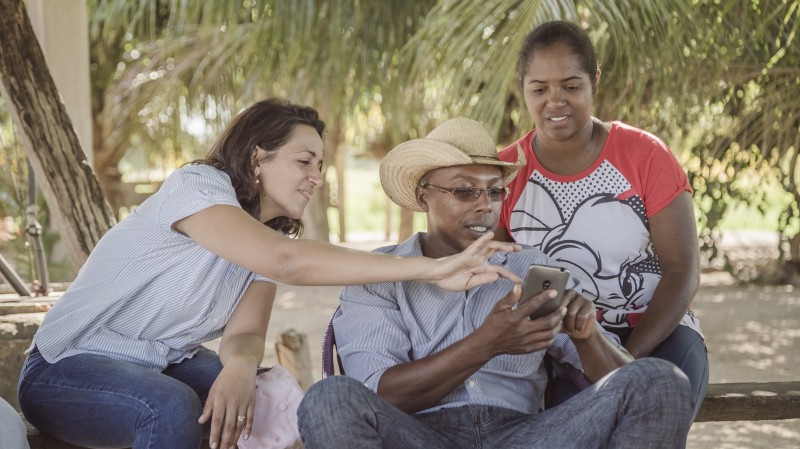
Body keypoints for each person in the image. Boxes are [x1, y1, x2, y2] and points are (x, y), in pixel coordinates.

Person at [16, 99, 520, 449]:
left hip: (155, 363)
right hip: (65, 368)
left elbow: (248, 332)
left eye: (320, 165)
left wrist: (237, 368)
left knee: (266, 396)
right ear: (258, 157)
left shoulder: (274, 235)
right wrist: (431, 269)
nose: (316, 177)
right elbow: (287, 263)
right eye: (305, 160)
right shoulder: (197, 187)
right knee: (169, 407)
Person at [297, 118, 693, 449]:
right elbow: (381, 394)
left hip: (526, 436)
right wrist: (488, 343)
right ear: (423, 196)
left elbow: (621, 379)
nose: (484, 203)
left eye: (494, 190)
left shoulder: (531, 267)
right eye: (464, 190)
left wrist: (588, 337)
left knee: (659, 381)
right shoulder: (380, 274)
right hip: (420, 436)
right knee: (329, 401)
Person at [496, 20, 708, 420]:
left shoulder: (644, 155)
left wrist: (624, 358)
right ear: (521, 88)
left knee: (655, 412)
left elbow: (683, 270)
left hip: (659, 334)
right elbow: (493, 270)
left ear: (594, 81)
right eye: (539, 89)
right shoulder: (506, 172)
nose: (554, 102)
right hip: (565, 349)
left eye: (571, 86)